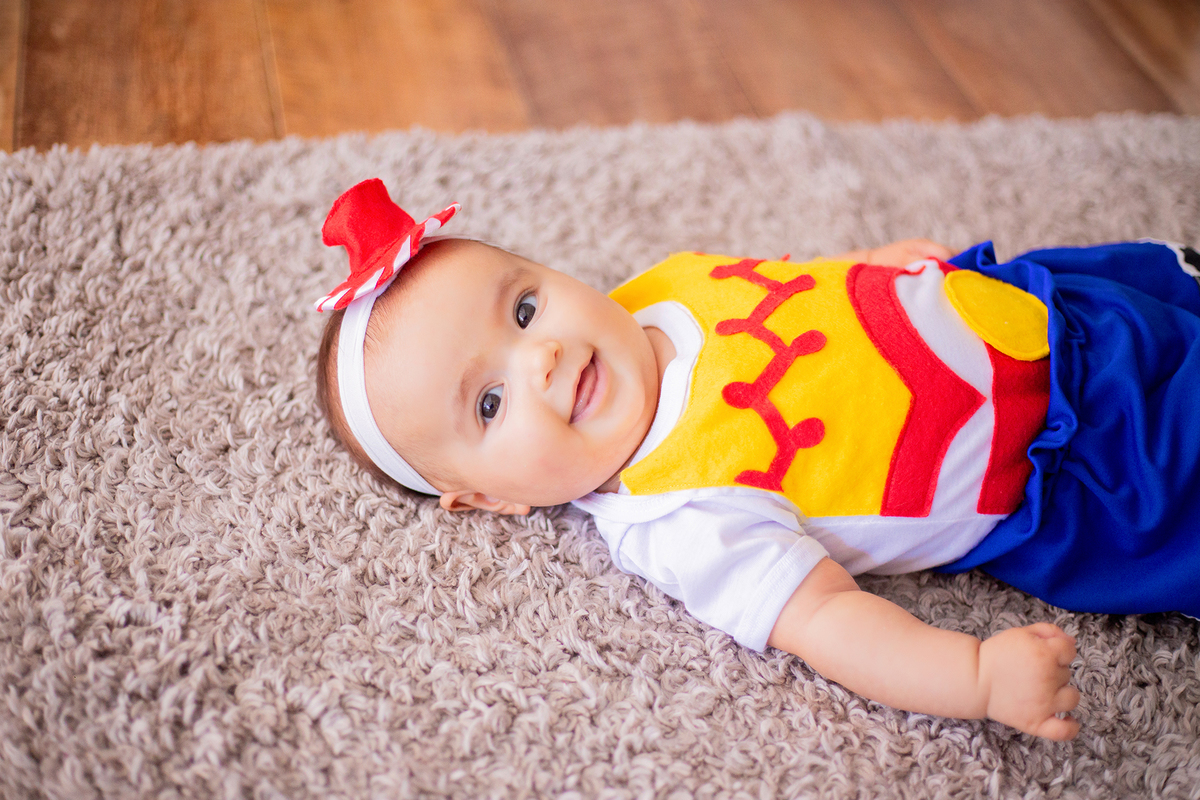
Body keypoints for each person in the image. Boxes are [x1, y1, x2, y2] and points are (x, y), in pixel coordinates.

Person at [313, 179, 1200, 741]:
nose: (540, 358)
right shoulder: (680, 514)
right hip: (1079, 462)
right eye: (491, 403)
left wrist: (870, 268)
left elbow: (785, 291)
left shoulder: (656, 291)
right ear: (490, 499)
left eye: (523, 309)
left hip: (1033, 306)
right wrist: (972, 679)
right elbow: (826, 622)